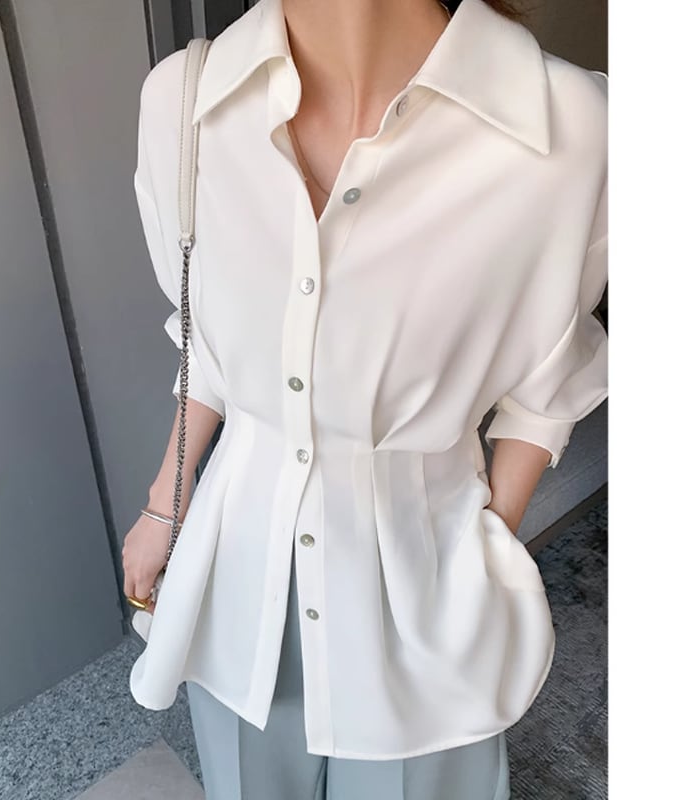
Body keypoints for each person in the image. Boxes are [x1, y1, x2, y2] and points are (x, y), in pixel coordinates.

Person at [121, 0, 608, 797]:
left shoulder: (569, 129)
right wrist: (162, 507)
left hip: (426, 583)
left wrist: (491, 540)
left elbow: (551, 381)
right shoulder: (183, 102)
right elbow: (204, 342)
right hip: (236, 568)